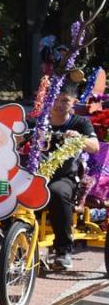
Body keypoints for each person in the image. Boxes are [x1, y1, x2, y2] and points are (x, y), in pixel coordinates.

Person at [38, 89, 99, 269]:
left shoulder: (80, 123)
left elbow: (95, 146)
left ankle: (63, 250)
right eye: (55, 99)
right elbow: (15, 138)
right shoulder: (39, 120)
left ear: (74, 102)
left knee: (57, 192)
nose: (58, 104)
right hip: (35, 174)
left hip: (65, 177)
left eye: (64, 100)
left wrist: (79, 139)